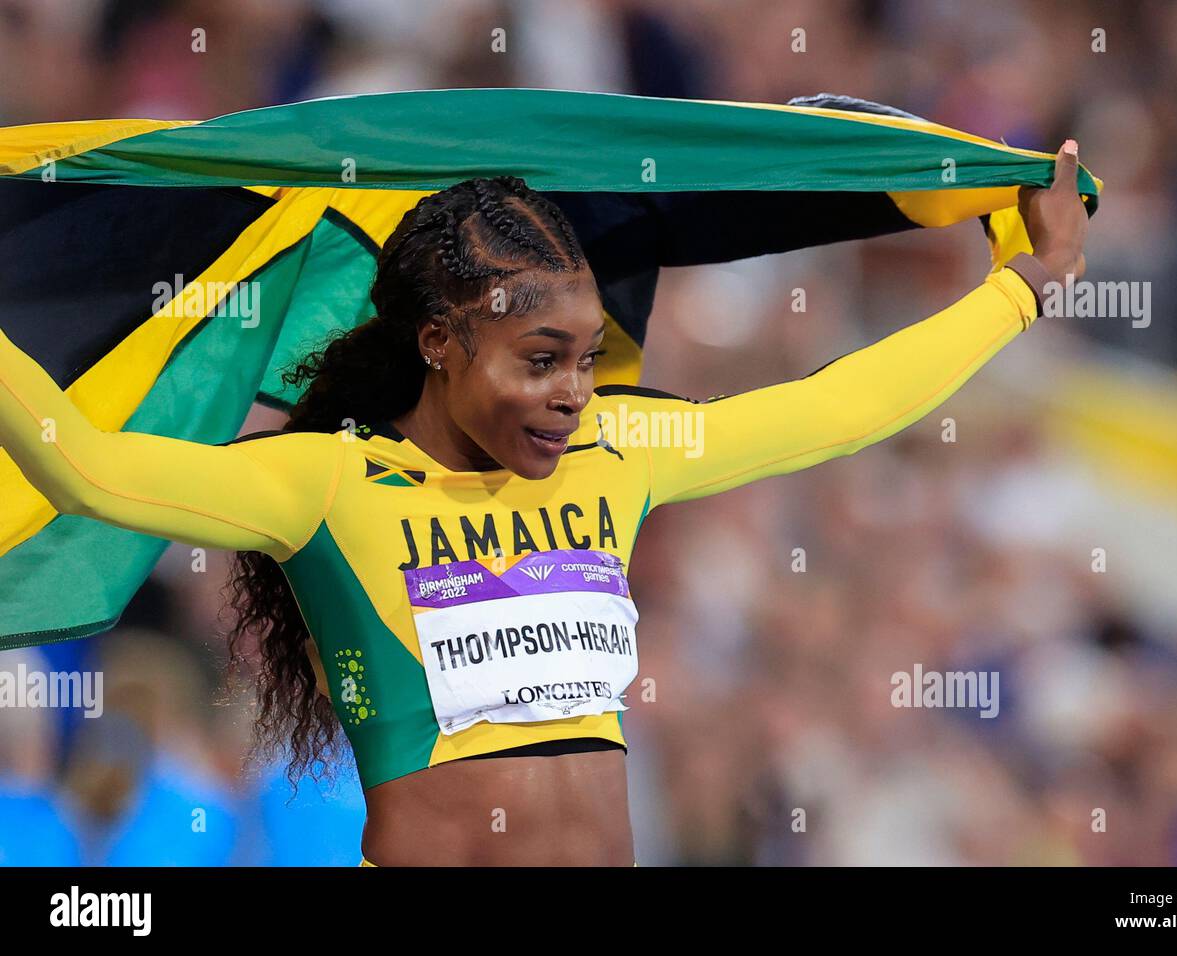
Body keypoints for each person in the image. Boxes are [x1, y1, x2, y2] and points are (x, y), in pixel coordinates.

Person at [0, 142, 1088, 866]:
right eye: (537, 360)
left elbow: (838, 407)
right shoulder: (327, 480)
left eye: (583, 359)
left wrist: (1016, 288)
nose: (573, 391)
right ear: (438, 343)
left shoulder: (618, 445)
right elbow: (87, 467)